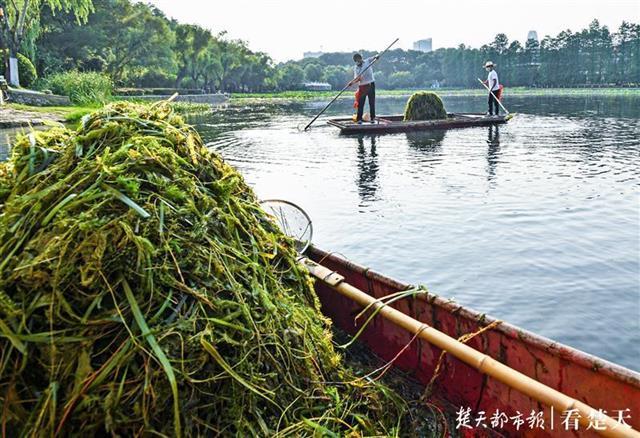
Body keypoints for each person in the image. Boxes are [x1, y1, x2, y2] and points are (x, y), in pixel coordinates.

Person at [349, 53, 379, 124]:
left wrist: (376, 56)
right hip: (362, 86)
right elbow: (357, 78)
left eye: (358, 60)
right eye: (356, 61)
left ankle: (372, 118)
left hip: (371, 84)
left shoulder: (367, 61)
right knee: (361, 103)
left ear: (361, 58)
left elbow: (376, 56)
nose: (357, 62)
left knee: (372, 102)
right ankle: (359, 119)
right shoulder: (356, 68)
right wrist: (352, 82)